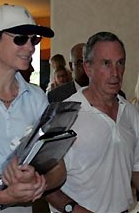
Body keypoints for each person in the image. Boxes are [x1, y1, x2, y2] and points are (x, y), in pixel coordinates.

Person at [0, 3, 66, 213]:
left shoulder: (36, 97)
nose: (30, 47)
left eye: (34, 39)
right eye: (20, 39)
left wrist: (39, 182)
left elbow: (59, 168)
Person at [46, 31, 139, 213]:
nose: (115, 72)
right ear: (88, 68)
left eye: (120, 63)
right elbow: (42, 179)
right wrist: (72, 208)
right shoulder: (63, 115)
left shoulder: (131, 113)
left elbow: (136, 167)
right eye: (106, 63)